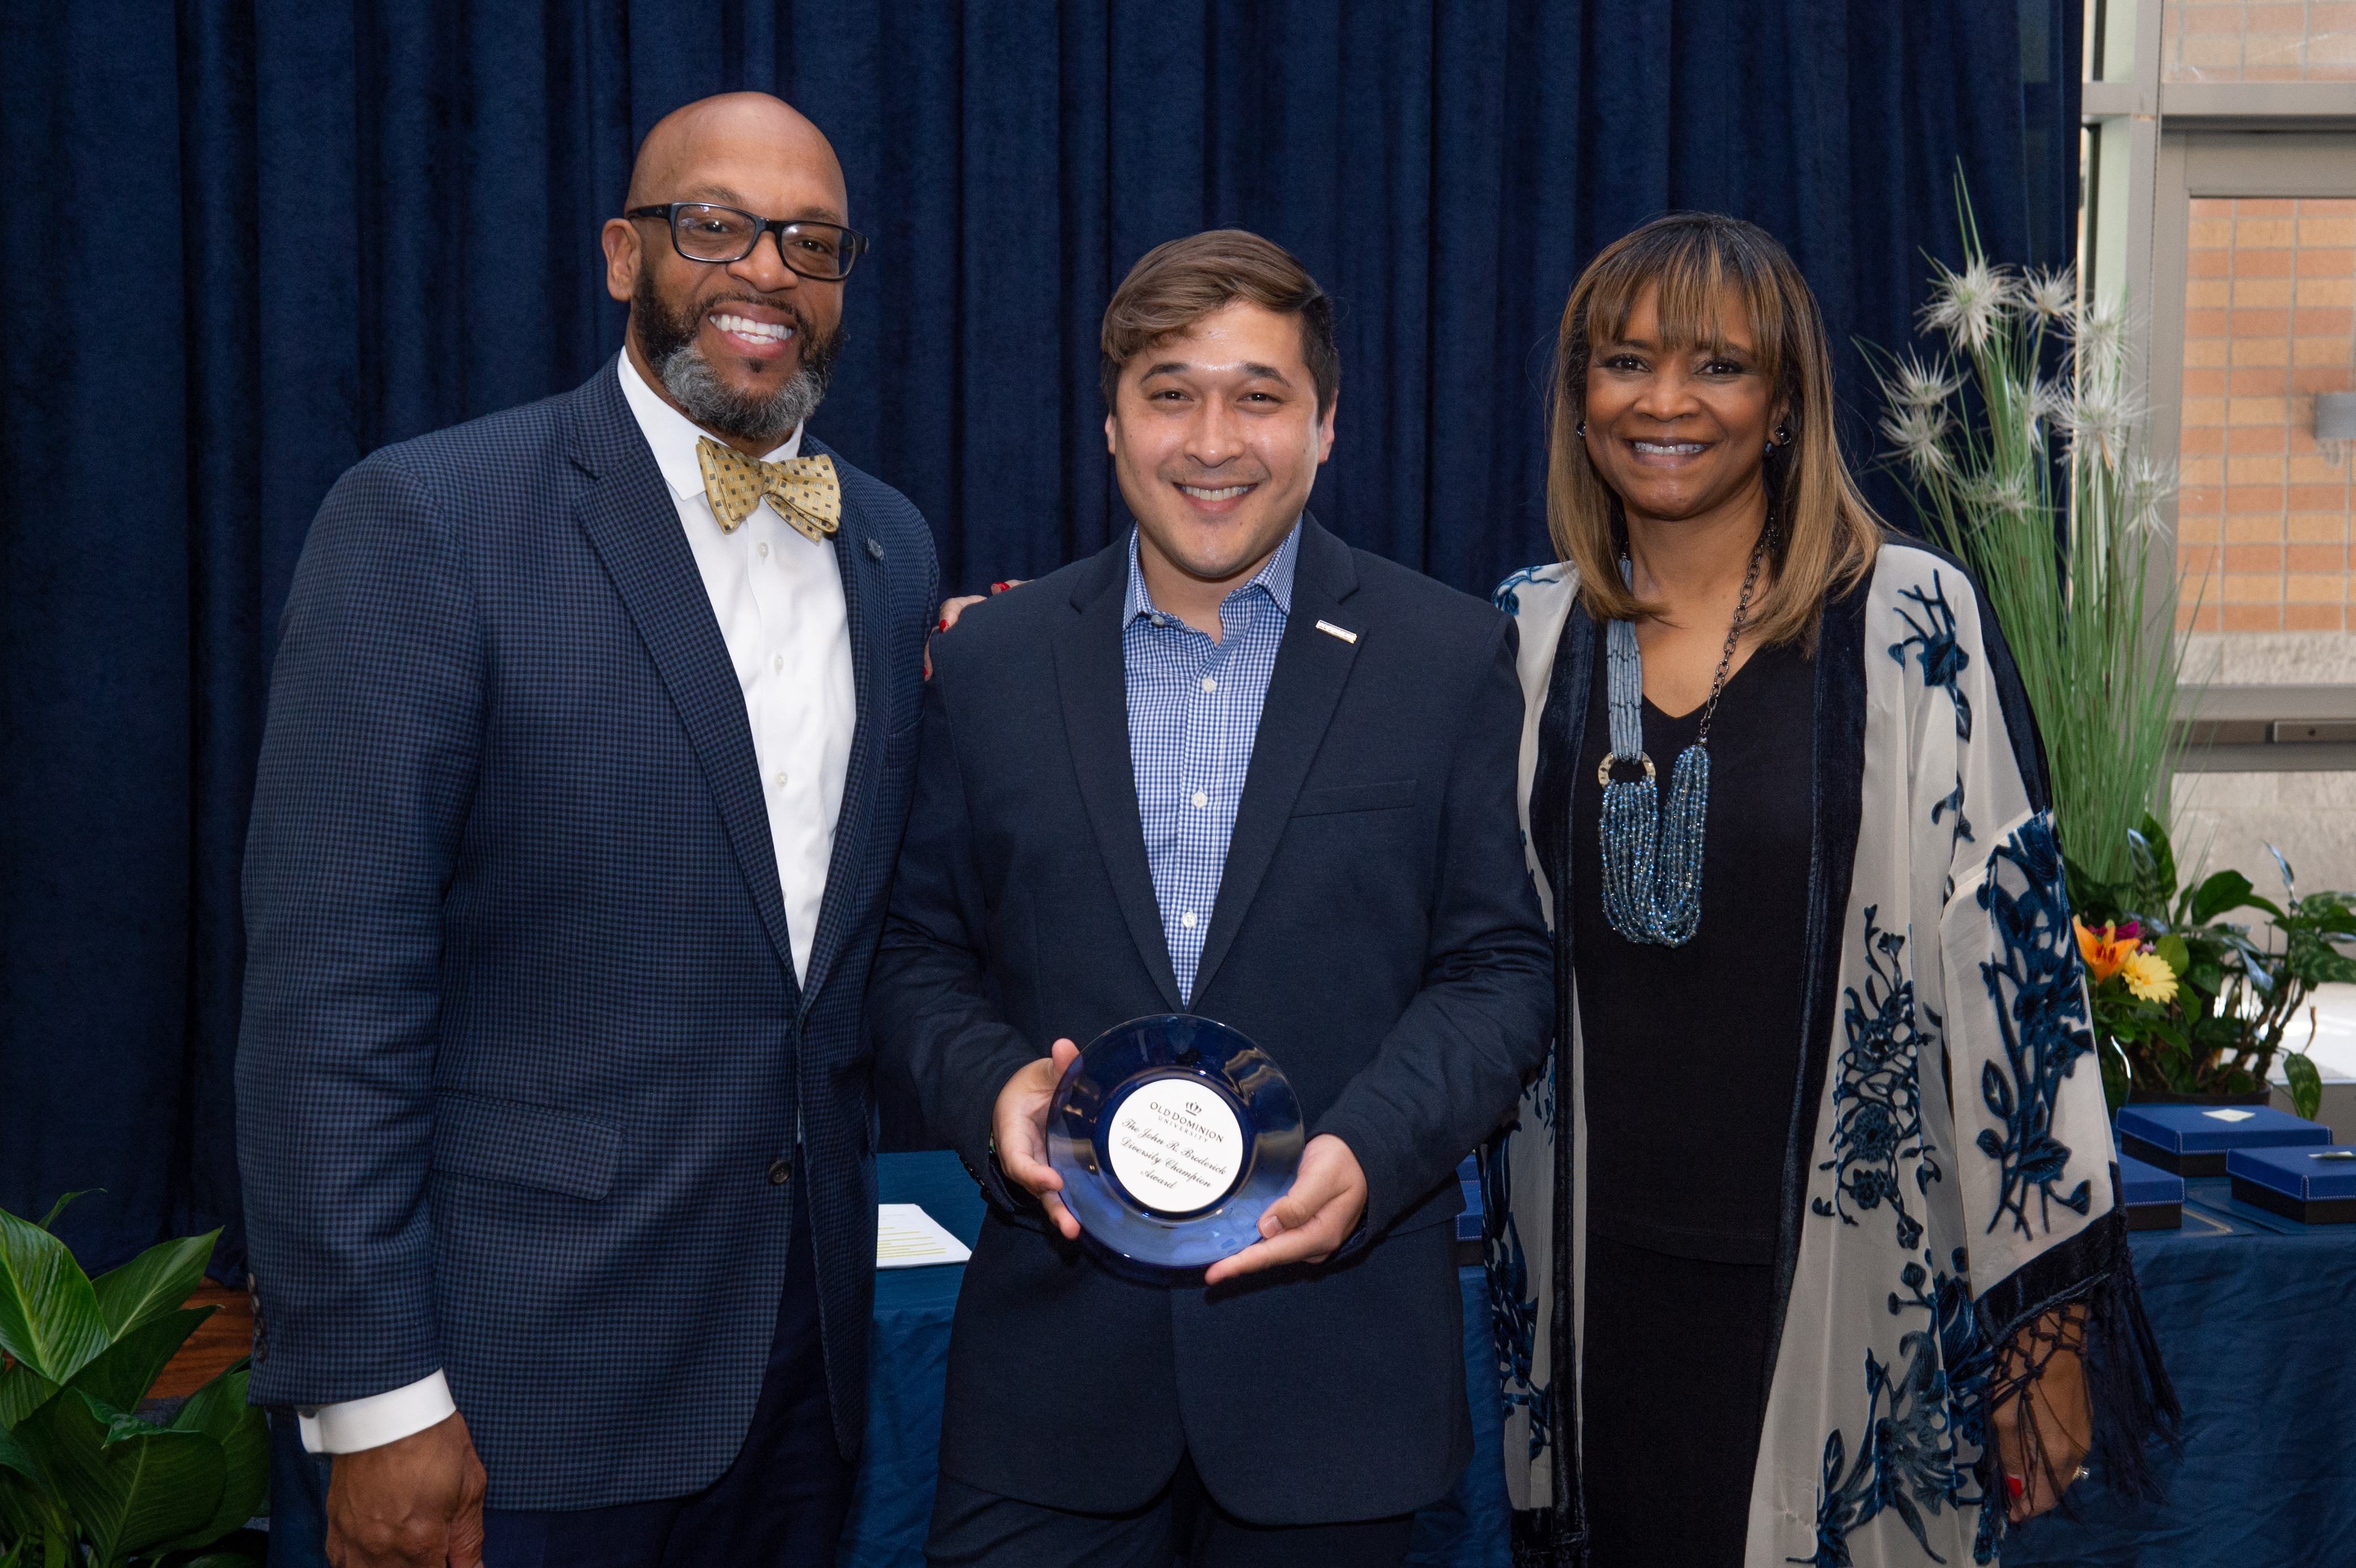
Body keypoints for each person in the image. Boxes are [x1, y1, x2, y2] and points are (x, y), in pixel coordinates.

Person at [236, 92, 937, 1567]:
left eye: (810, 241)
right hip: (514, 1391)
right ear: (624, 254)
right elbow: (331, 996)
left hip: (801, 1381)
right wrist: (376, 1398)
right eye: (715, 225)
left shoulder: (886, 544)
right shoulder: (429, 519)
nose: (767, 268)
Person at [1482, 212, 2177, 1567]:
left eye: (1718, 366)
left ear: (1788, 403)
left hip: (1859, 1284)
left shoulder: (1909, 622)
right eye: (1625, 362)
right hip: (1595, 1296)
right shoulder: (1527, 631)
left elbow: (2019, 976)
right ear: (1579, 397)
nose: (1665, 402)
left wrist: (2044, 1320)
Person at [872, 228, 1553, 1568]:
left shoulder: (1444, 654)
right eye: (1170, 393)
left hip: (1335, 1388)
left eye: (1259, 396)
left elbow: (1498, 971)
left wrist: (1370, 1152)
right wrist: (995, 1089)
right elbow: (913, 955)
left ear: (1327, 424)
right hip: (1049, 1399)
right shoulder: (992, 659)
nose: (1212, 441)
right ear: (1111, 425)